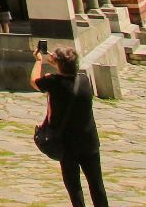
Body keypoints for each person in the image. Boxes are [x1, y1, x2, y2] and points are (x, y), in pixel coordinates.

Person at [32, 45, 108, 207]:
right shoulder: (84, 81)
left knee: (74, 187)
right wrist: (58, 62)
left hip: (67, 145)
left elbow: (34, 82)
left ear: (58, 63)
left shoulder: (54, 82)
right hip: (89, 142)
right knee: (97, 185)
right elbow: (67, 74)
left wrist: (39, 61)